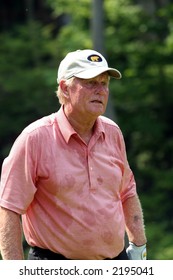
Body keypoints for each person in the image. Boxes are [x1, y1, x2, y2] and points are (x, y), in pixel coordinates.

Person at [0, 49, 147, 260]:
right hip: (52, 264)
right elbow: (9, 209)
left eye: (104, 83)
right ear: (65, 88)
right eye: (90, 83)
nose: (100, 90)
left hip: (115, 261)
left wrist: (139, 248)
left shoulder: (113, 132)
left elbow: (127, 192)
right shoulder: (35, 138)